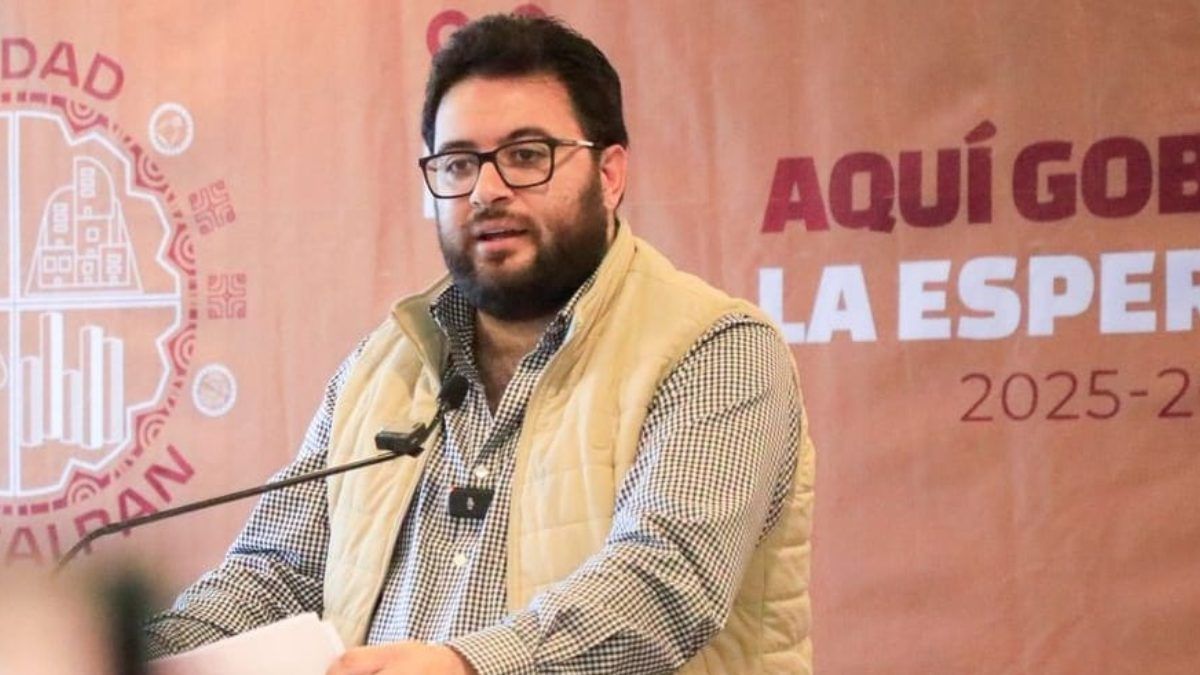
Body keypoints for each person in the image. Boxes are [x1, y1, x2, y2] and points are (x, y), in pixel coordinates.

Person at [145, 13, 815, 675]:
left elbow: (664, 585)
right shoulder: (382, 368)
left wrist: (467, 667)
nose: (486, 191)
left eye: (526, 156)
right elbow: (274, 574)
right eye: (459, 164)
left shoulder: (715, 349)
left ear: (609, 175)